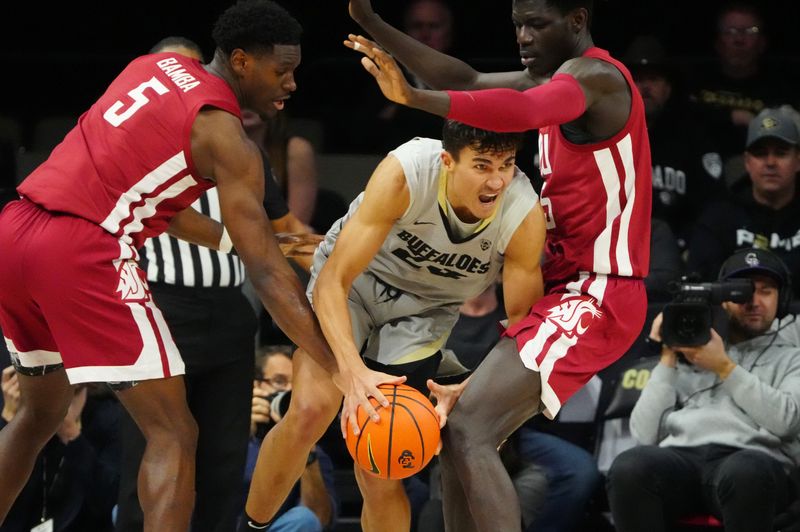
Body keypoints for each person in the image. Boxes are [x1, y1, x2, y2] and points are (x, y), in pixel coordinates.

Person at [0, 2, 395, 530]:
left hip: (17, 234)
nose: (293, 84)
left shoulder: (149, 69)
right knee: (176, 433)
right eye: (283, 71)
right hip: (81, 251)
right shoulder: (226, 138)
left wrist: (239, 243)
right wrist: (341, 365)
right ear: (241, 61)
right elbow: (269, 278)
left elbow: (162, 204)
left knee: (37, 415)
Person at [346, 0, 652, 529]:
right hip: (564, 287)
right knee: (456, 431)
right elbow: (466, 76)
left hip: (601, 289)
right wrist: (372, 21)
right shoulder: (552, 77)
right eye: (517, 25)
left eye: (538, 24)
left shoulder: (598, 77)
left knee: (469, 428)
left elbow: (528, 113)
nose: (523, 36)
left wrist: (414, 98)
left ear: (577, 21)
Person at [240, 120, 547, 532]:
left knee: (381, 457)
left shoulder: (523, 213)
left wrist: (480, 392)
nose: (497, 180)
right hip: (355, 283)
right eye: (482, 165)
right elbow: (334, 280)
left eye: (506, 164)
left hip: (425, 312)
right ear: (448, 161)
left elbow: (522, 329)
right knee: (313, 410)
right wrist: (349, 373)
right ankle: (251, 526)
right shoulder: (408, 171)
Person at [115, 36, 320, 532]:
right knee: (153, 452)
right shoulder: (140, 140)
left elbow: (289, 232)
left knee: (222, 465)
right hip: (160, 306)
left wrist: (354, 265)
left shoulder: (241, 147)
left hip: (229, 314)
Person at [606, 247, 800, 531]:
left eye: (766, 291)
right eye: (741, 292)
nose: (753, 301)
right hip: (682, 461)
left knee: (746, 471)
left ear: (782, 300)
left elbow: (787, 423)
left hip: (751, 463)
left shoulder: (791, 357)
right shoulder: (692, 346)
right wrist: (668, 357)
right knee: (630, 466)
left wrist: (725, 367)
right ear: (723, 299)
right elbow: (644, 435)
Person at [623, 34, 726, 249]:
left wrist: (690, 244)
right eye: (638, 79)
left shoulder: (691, 138)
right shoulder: (605, 135)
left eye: (653, 79)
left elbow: (712, 204)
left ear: (668, 88)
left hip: (677, 250)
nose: (645, 88)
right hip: (617, 248)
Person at [687, 107, 800, 299]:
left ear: (798, 161)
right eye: (760, 153)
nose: (770, 162)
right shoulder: (719, 216)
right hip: (733, 323)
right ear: (747, 162)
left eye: (781, 153)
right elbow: (700, 287)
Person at [1, 366, 121, 532]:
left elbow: (106, 500)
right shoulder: (17, 412)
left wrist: (73, 436)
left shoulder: (108, 417)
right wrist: (12, 424)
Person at [245, 346, 337, 532]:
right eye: (279, 381)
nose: (288, 390)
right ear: (256, 385)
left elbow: (320, 518)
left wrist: (306, 451)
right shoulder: (224, 437)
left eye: (296, 383)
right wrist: (241, 432)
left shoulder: (315, 451)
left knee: (304, 519)